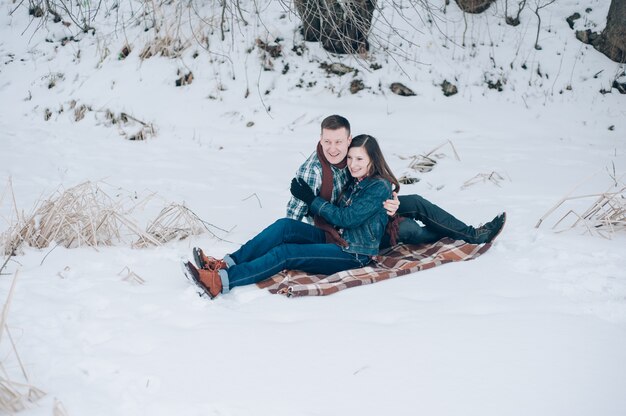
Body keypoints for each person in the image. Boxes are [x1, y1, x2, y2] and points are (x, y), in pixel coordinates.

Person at [183, 134, 398, 298]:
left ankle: (219, 282)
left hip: (353, 253)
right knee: (284, 226)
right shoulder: (358, 178)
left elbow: (347, 218)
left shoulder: (379, 186)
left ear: (373, 160)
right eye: (350, 157)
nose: (352, 164)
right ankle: (225, 263)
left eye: (360, 158)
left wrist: (311, 200)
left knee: (286, 253)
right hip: (334, 237)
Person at [285, 114, 506, 249]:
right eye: (327, 142)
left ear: (348, 140)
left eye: (338, 142)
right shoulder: (313, 171)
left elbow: (365, 180)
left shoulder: (347, 154)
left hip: (360, 206)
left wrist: (389, 200)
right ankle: (446, 234)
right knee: (408, 229)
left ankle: (473, 234)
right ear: (320, 139)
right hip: (342, 227)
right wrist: (295, 239)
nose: (333, 149)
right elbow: (295, 214)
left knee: (416, 201)